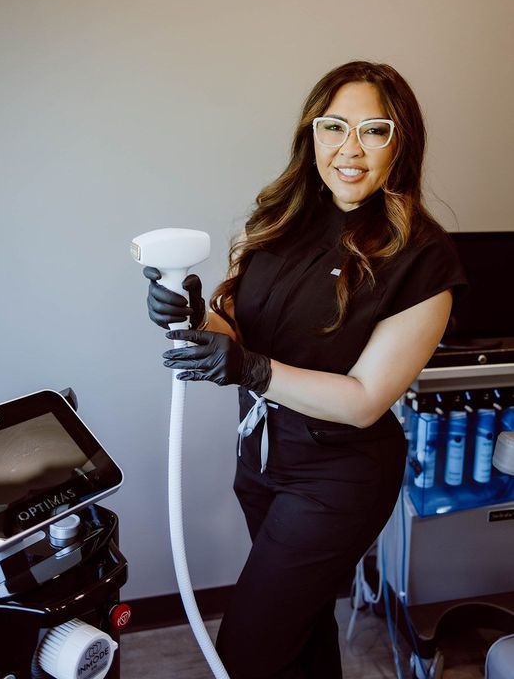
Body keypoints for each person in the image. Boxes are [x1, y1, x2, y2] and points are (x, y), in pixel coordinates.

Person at [143, 60, 467, 678]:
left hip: (338, 478)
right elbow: (236, 335)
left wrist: (250, 368)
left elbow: (365, 398)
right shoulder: (278, 222)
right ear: (310, 134)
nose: (351, 148)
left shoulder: (422, 257)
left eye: (375, 130)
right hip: (263, 463)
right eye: (334, 126)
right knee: (302, 630)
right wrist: (189, 315)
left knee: (248, 652)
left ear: (401, 143)